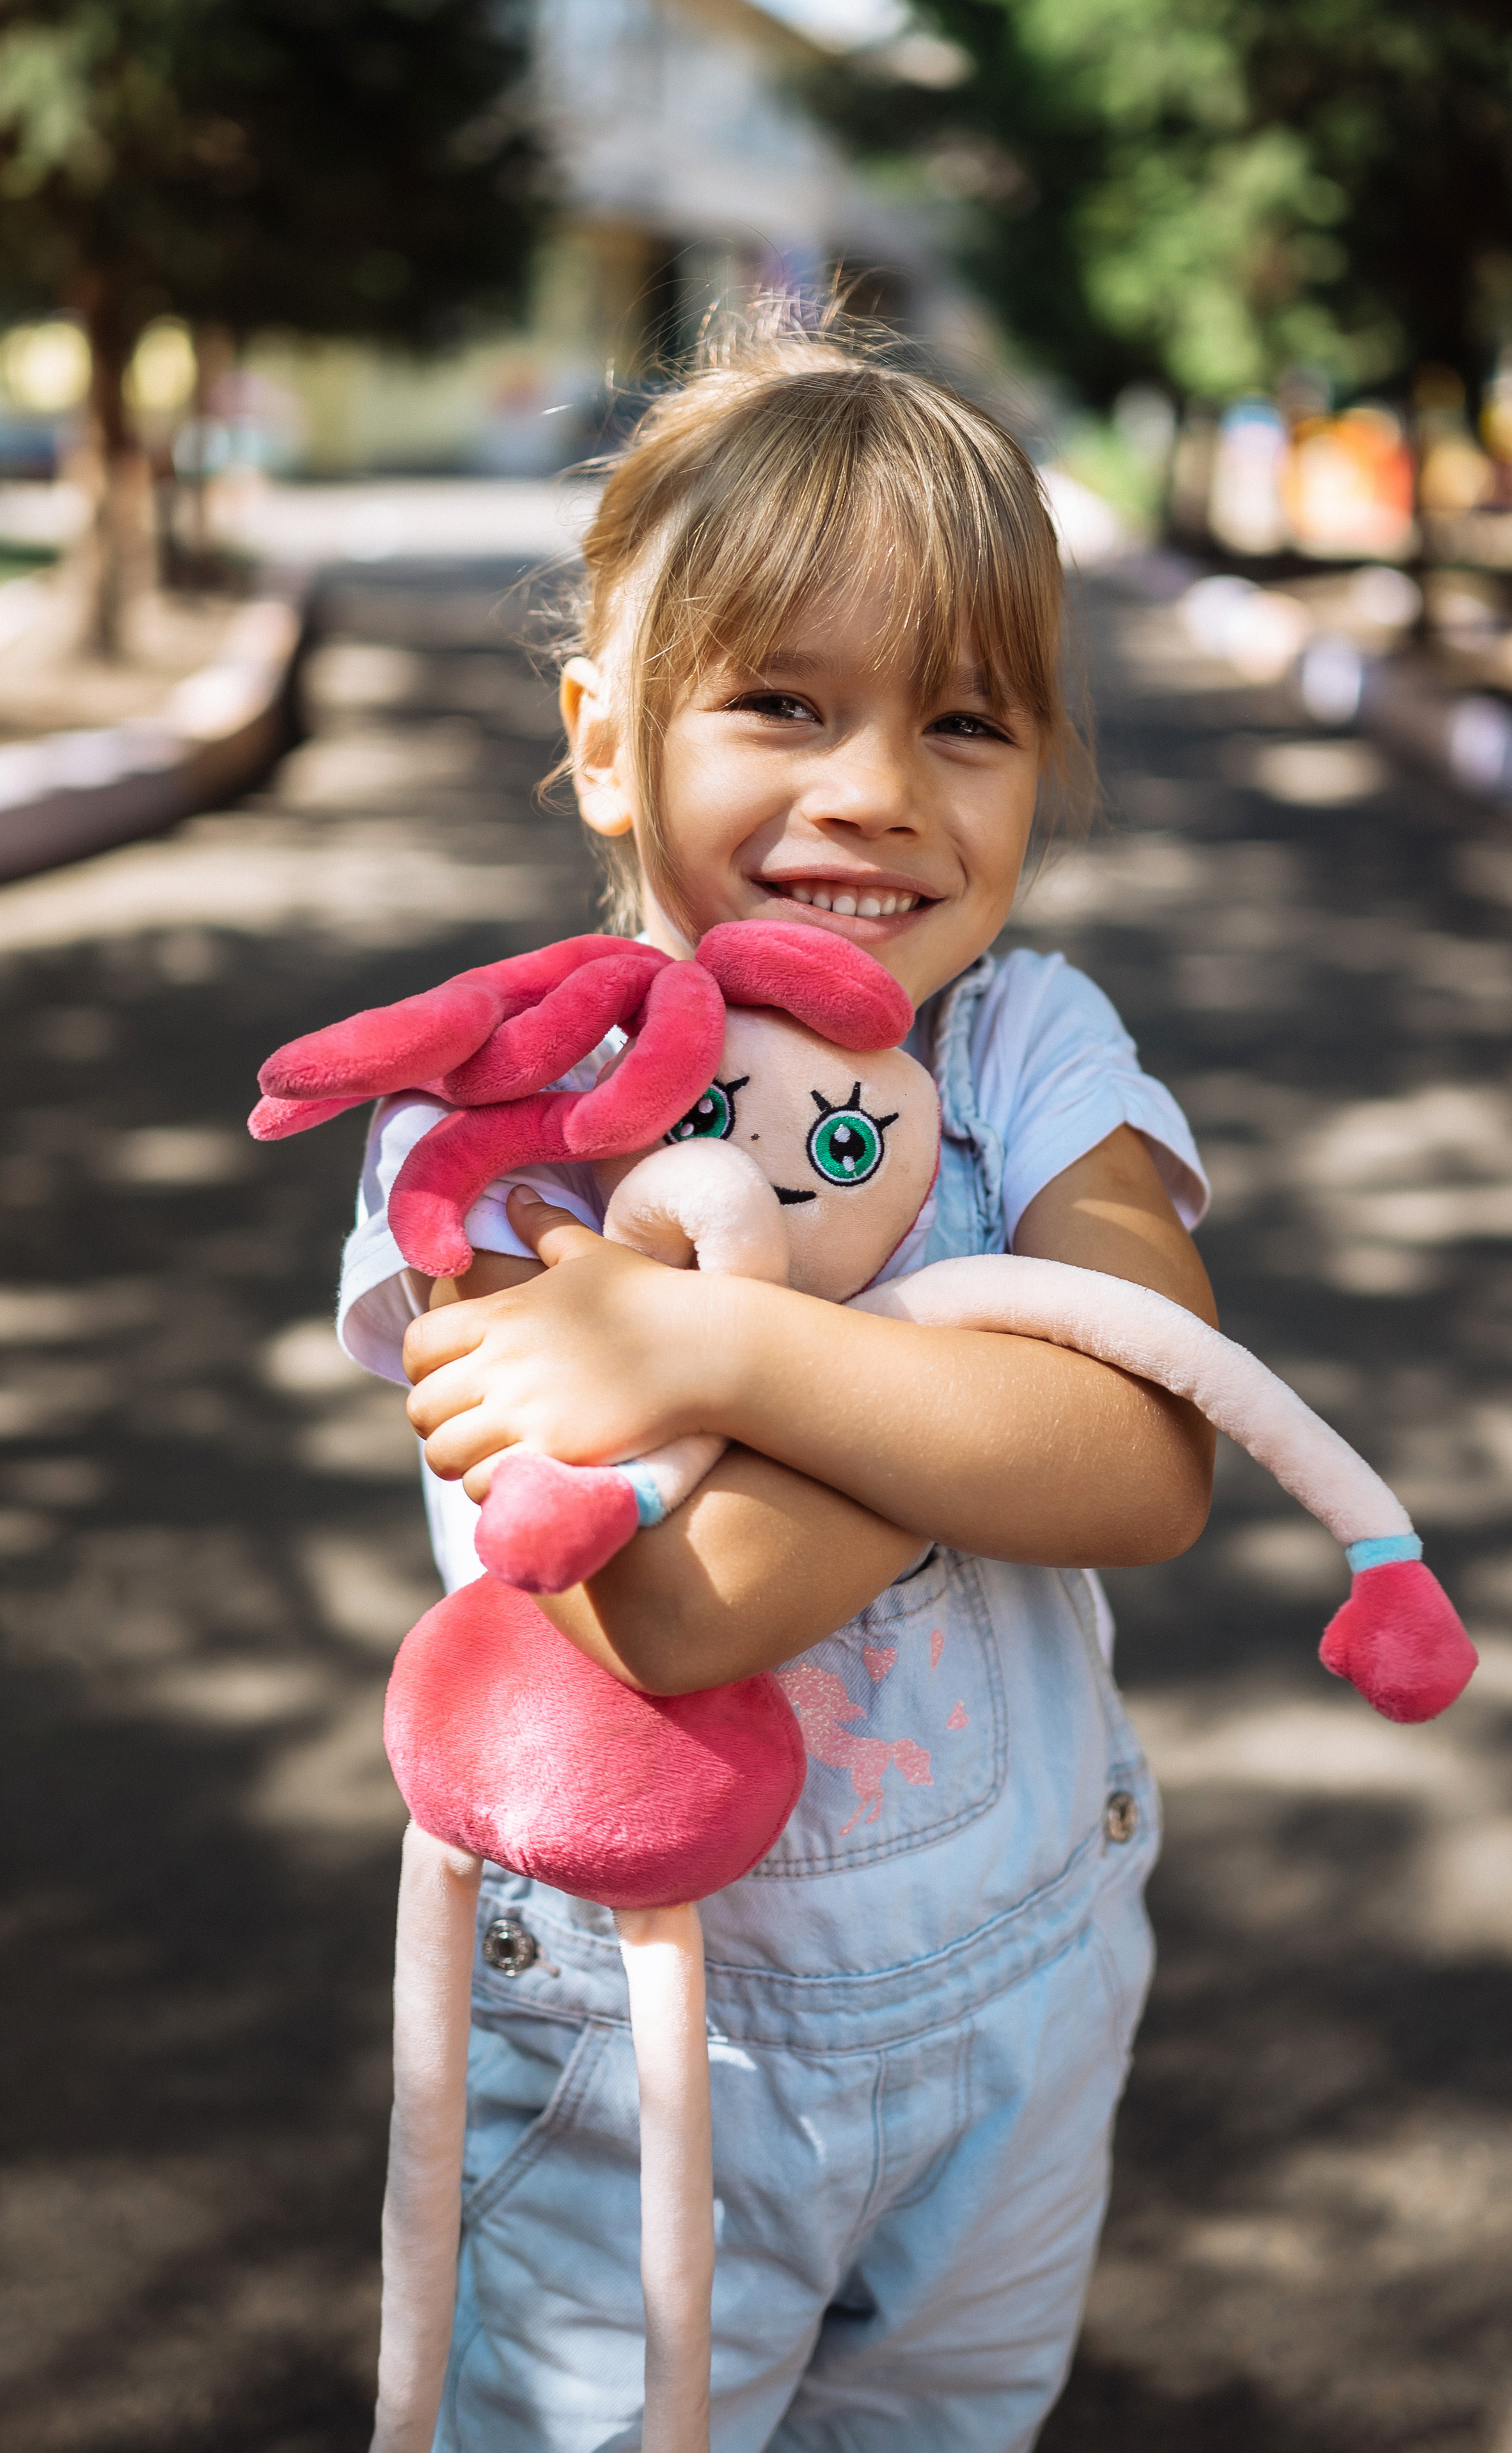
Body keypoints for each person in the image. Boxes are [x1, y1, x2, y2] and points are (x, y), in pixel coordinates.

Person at [337, 308, 1216, 2453]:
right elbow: (674, 1605)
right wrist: (990, 1342)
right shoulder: (493, 1119)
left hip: (1025, 1995)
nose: (879, 795)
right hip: (648, 2052)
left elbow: (1148, 1448)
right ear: (609, 737)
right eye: (784, 705)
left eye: (969, 722)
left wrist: (723, 1340)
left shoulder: (1026, 1044)